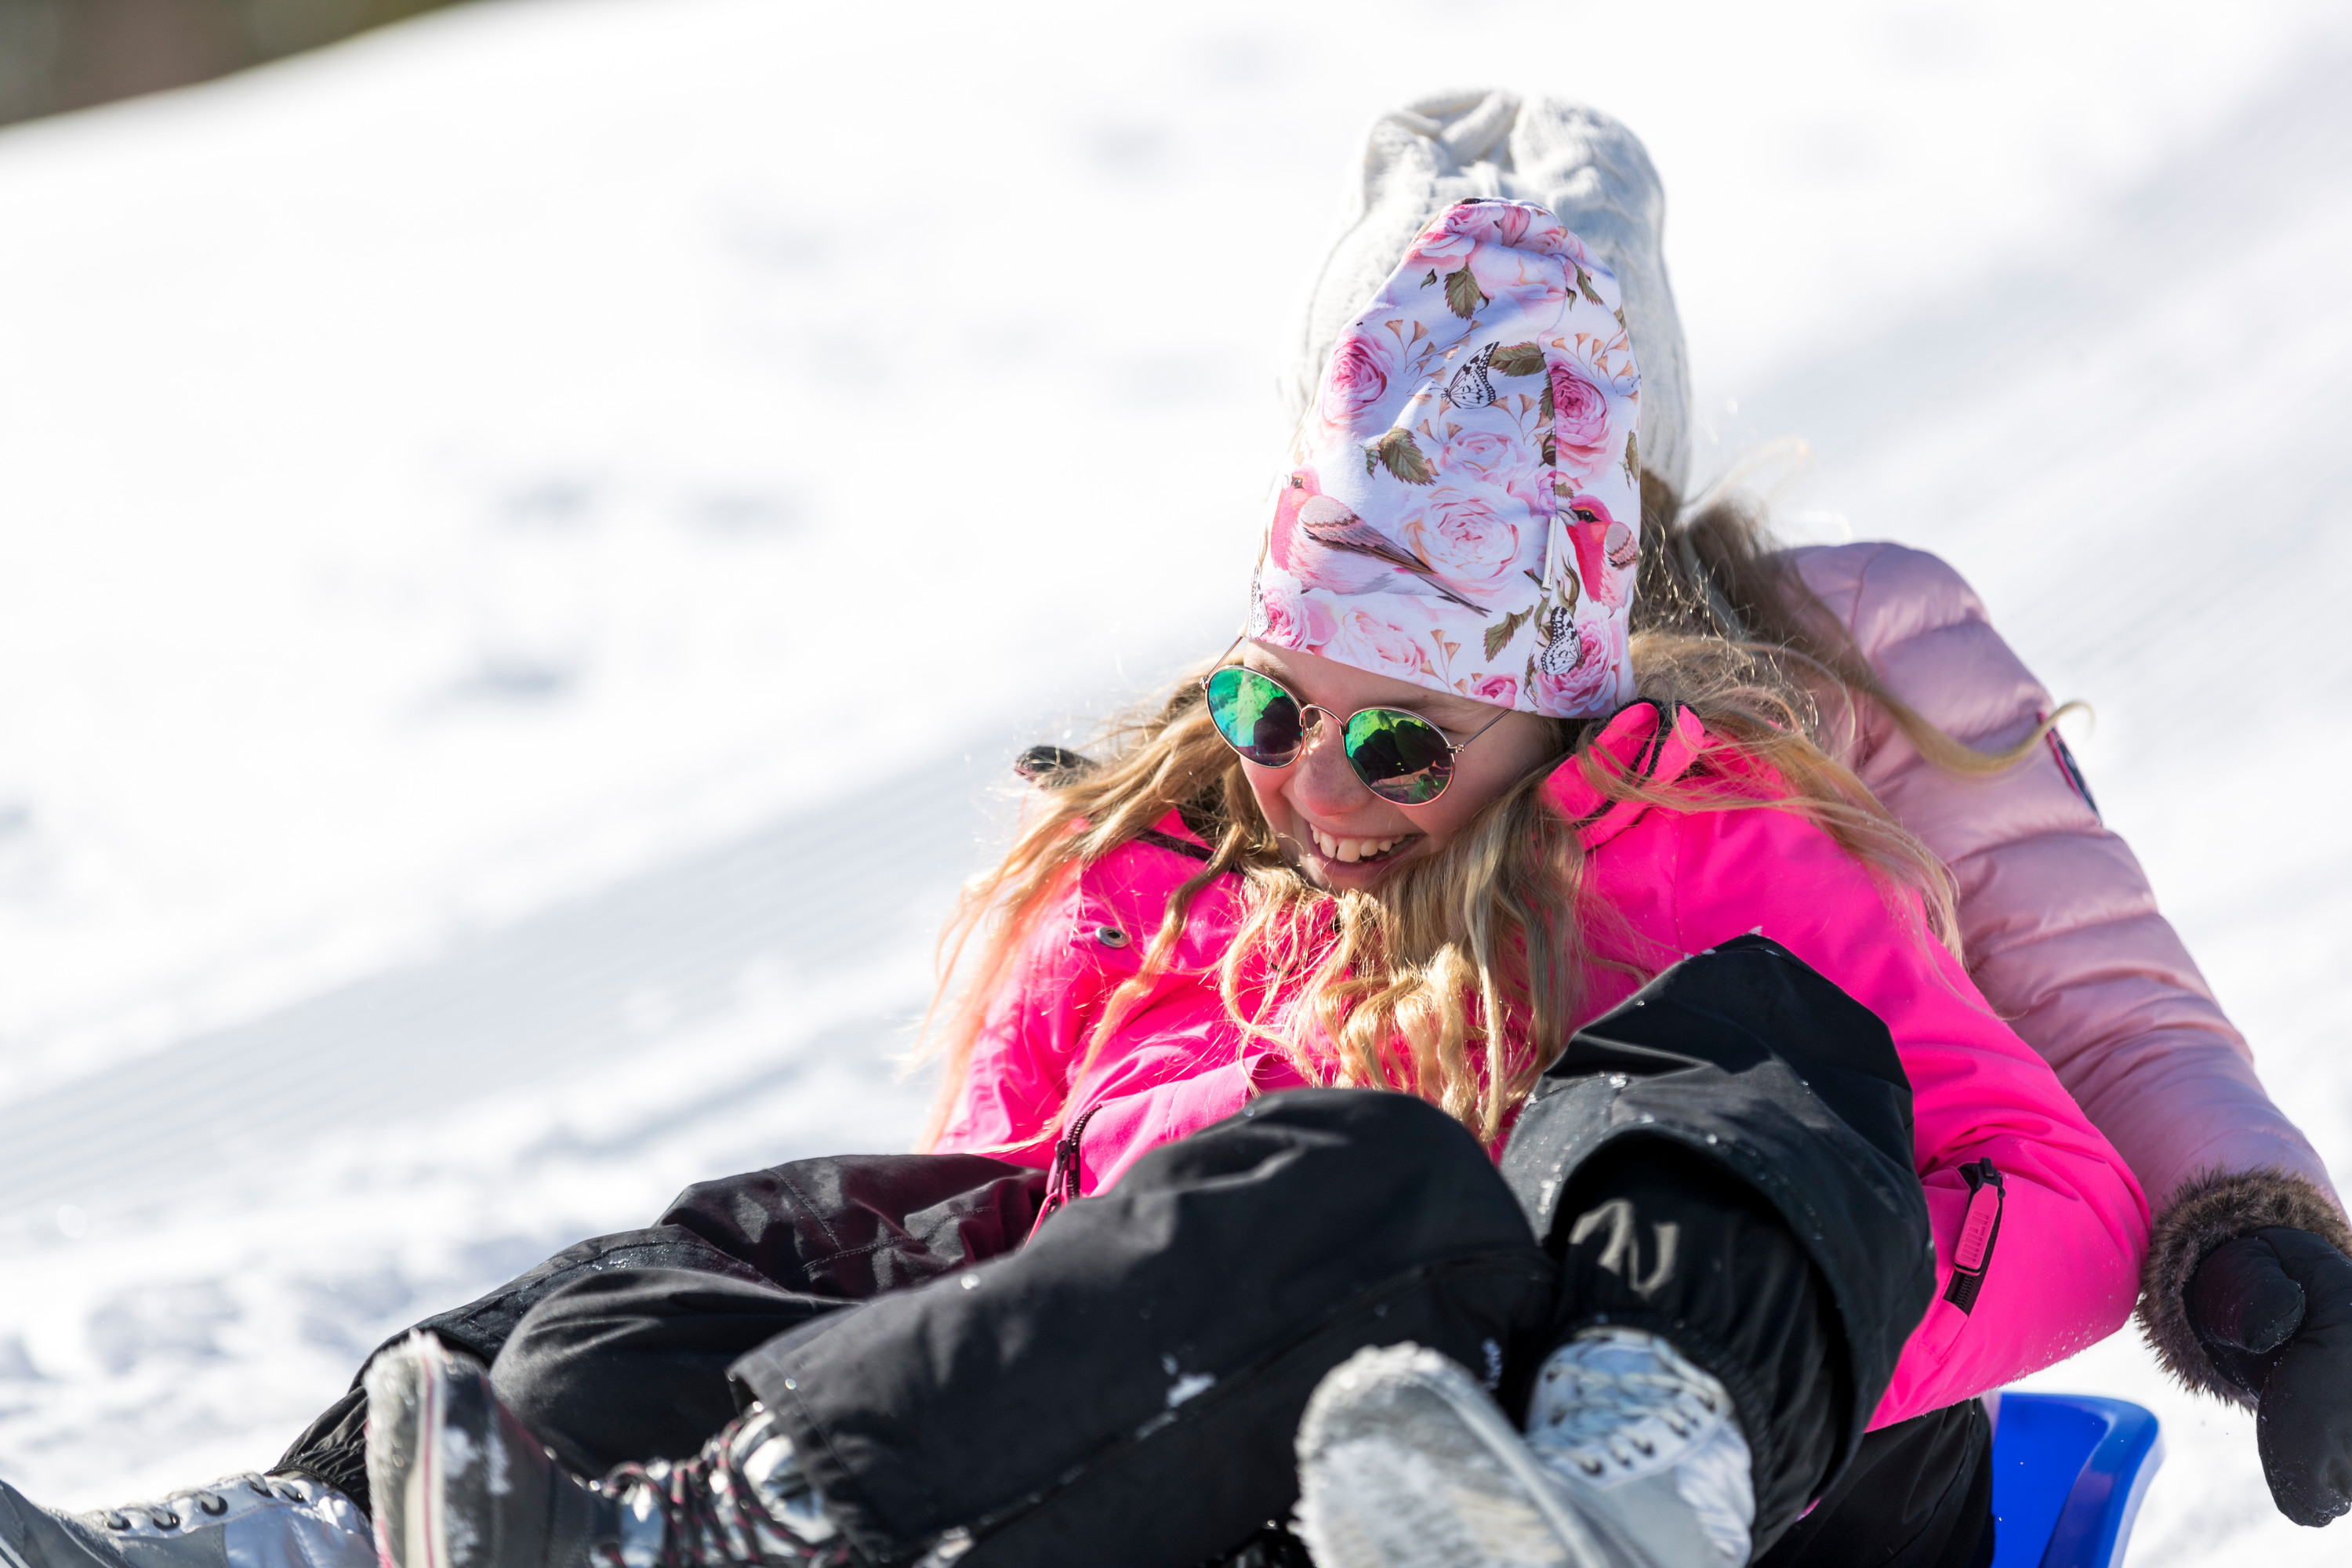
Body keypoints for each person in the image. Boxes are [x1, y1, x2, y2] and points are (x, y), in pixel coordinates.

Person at [2, 91, 2343, 1568]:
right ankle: (330, 1526)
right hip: (1297, 1412)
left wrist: (2254, 1230)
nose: (1314, 783)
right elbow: (1005, 1214)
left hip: (1748, 1416)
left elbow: (2087, 1035)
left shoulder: (1773, 758)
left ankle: (1594, 1489)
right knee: (740, 1246)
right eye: (1272, 712)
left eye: (1396, 743)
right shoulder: (1195, 835)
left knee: (1612, 1108)